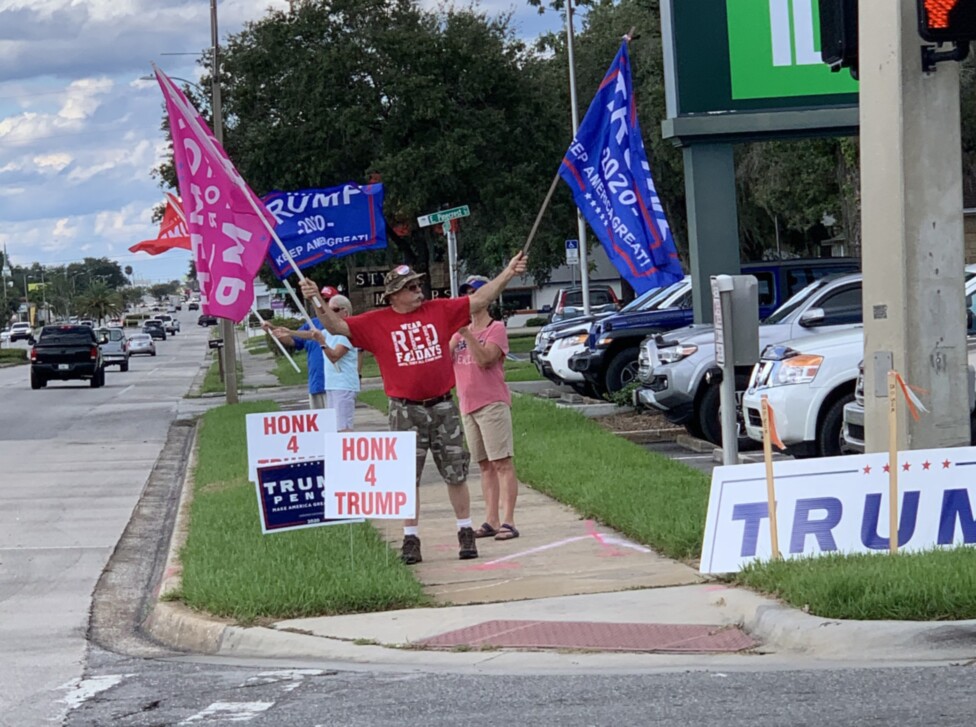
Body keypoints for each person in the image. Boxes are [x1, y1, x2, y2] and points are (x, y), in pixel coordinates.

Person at [299, 252, 528, 564]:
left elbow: (480, 300)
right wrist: (316, 299)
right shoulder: (376, 322)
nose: (418, 290)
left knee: (455, 472)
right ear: (393, 294)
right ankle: (411, 538)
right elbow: (336, 325)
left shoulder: (440, 310)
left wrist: (509, 272)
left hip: (443, 405)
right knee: (407, 478)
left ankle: (465, 530)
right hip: (404, 409)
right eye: (410, 287)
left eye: (418, 284)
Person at [450, 275, 519, 541]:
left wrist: (467, 333)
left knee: (501, 462)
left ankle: (508, 521)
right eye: (466, 293)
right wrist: (455, 334)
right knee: (484, 465)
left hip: (491, 403)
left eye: (475, 292)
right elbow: (444, 361)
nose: (470, 297)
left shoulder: (495, 328)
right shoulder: (457, 333)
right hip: (467, 405)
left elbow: (486, 360)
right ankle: (491, 519)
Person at [263, 285, 338, 409]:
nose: (323, 304)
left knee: (337, 420)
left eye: (328, 300)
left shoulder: (340, 324)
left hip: (336, 386)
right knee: (318, 420)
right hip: (316, 384)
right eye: (321, 300)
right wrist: (271, 329)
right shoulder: (312, 323)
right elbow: (292, 340)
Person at [304, 294, 359, 431]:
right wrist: (288, 332)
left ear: (345, 312)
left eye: (333, 310)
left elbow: (334, 356)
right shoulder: (330, 332)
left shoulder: (347, 333)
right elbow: (311, 334)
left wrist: (322, 342)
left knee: (343, 427)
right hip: (332, 385)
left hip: (344, 385)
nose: (329, 314)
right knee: (334, 426)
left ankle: (346, 445)